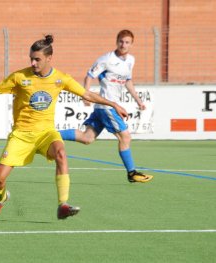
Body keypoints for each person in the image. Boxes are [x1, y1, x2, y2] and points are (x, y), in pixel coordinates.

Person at [0, 35, 128, 220]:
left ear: (49, 58)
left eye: (37, 59)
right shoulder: (19, 77)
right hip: (21, 136)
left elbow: (87, 94)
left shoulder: (61, 78)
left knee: (61, 154)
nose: (33, 63)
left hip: (46, 133)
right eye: (31, 58)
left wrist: (113, 104)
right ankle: (1, 198)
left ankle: (62, 204)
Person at [59, 30, 153, 183]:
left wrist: (138, 100)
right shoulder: (106, 59)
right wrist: (86, 94)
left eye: (127, 42)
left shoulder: (130, 60)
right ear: (117, 41)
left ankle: (51, 134)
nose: (123, 45)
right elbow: (89, 75)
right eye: (121, 41)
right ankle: (132, 173)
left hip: (106, 107)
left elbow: (128, 81)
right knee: (125, 136)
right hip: (107, 106)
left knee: (87, 138)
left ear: (131, 44)